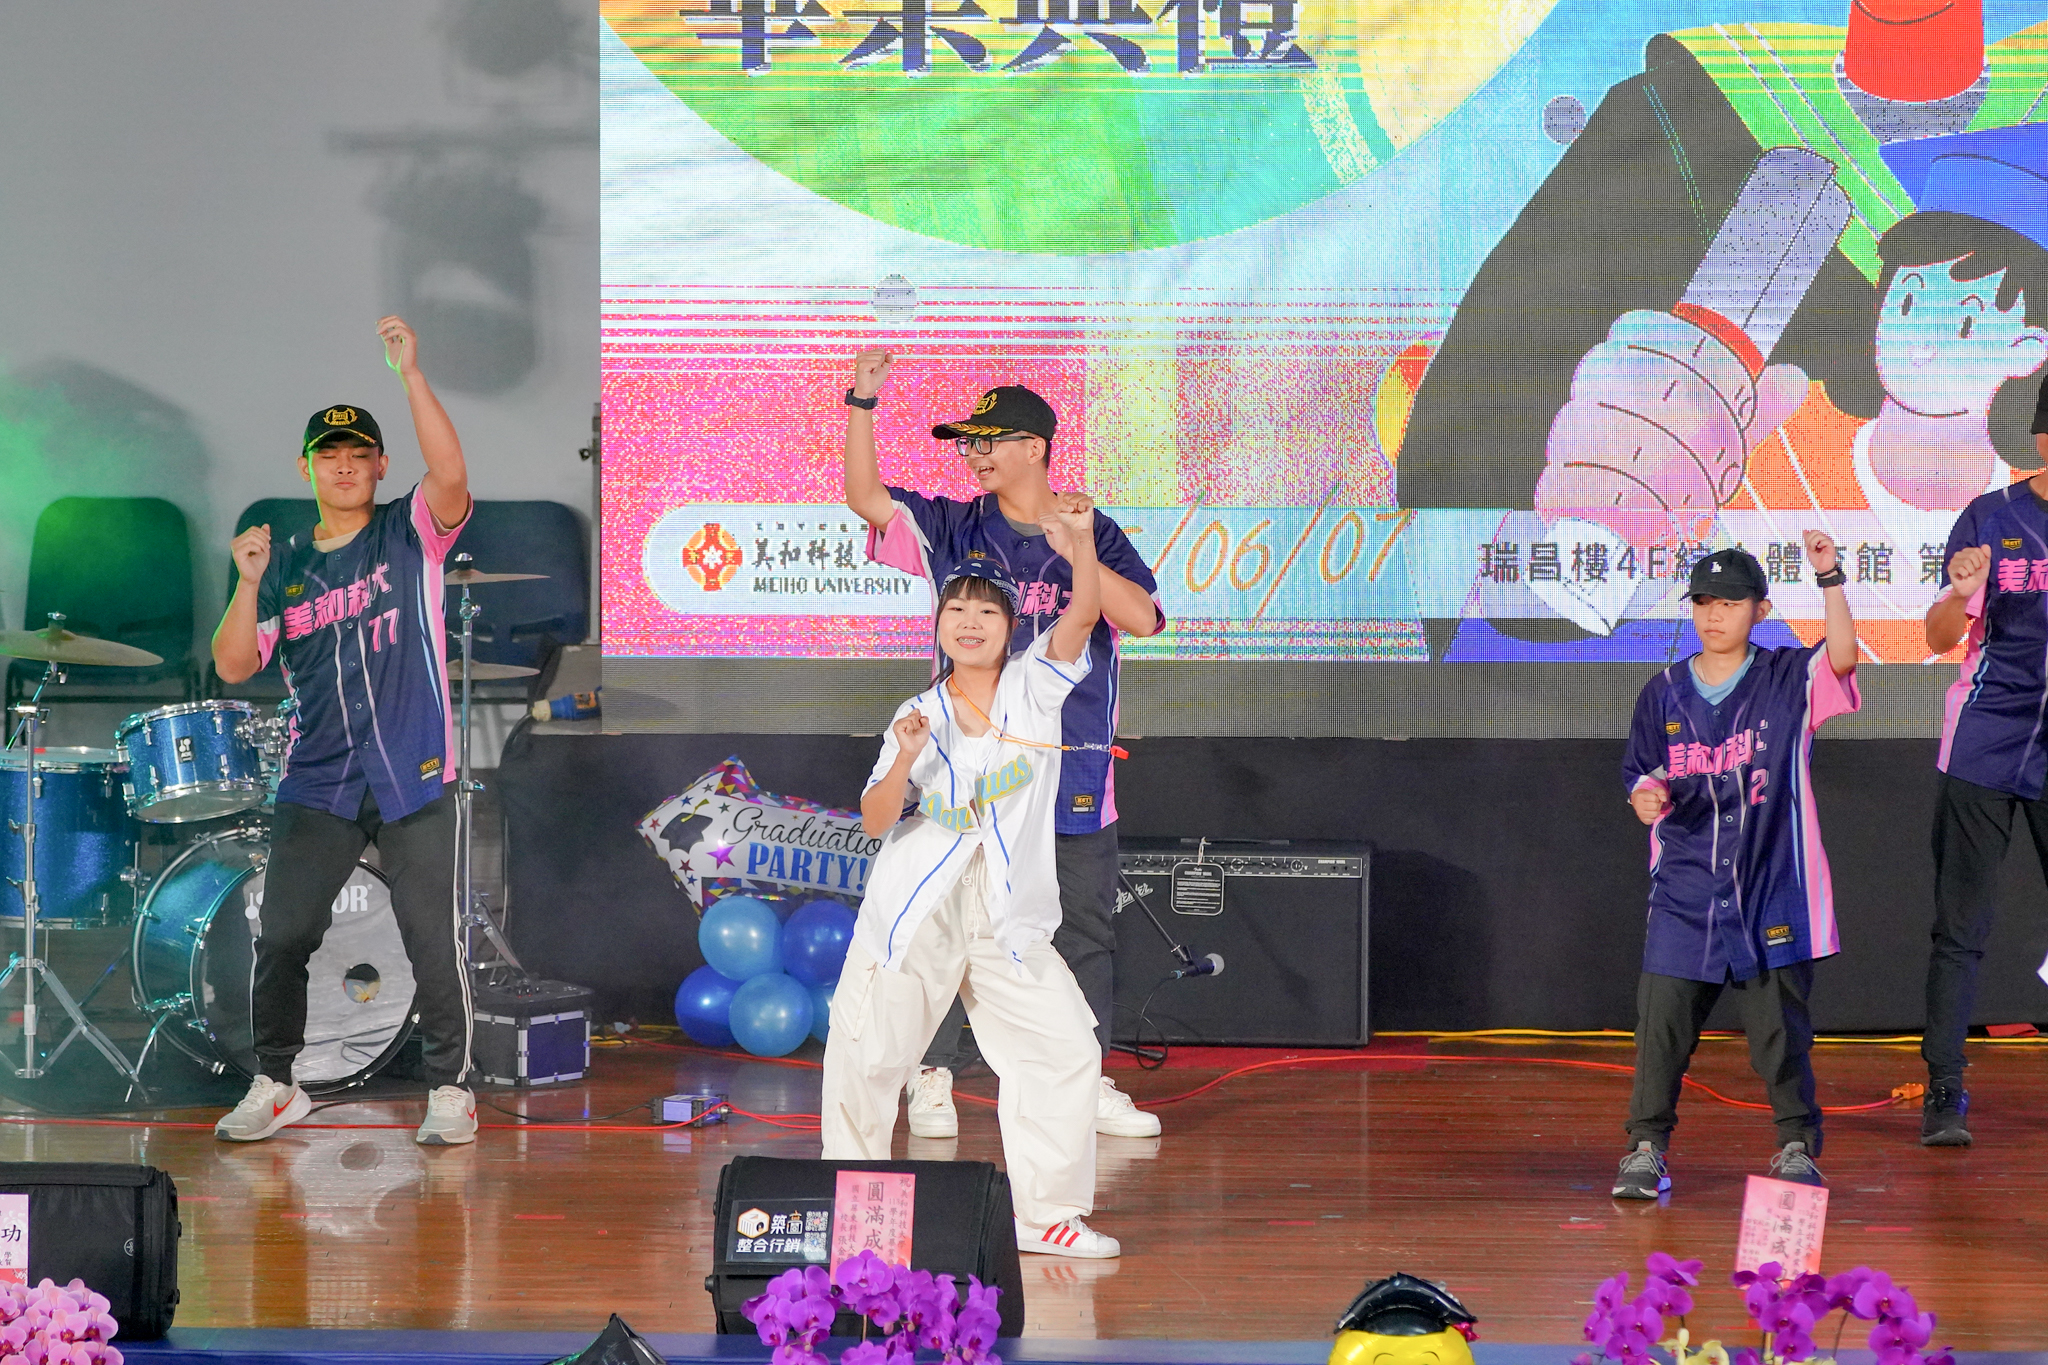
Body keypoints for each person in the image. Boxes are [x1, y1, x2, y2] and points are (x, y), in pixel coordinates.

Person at [841, 349, 1165, 1142]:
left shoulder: (1093, 529)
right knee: (946, 921)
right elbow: (866, 498)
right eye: (969, 443)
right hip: (969, 769)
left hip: (1071, 763)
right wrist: (862, 401)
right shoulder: (955, 525)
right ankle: (932, 1076)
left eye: (989, 440)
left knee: (1081, 928)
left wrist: (1077, 545)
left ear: (1036, 447)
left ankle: (1083, 1081)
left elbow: (1143, 619)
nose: (975, 454)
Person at [209, 316, 477, 1146]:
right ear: (307, 468)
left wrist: (412, 376)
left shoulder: (410, 531)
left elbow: (451, 473)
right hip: (319, 775)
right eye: (330, 455)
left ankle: (450, 1089)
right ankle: (276, 1082)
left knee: (430, 938)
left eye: (361, 453)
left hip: (412, 767)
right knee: (284, 933)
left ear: (381, 465)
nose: (346, 465)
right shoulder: (282, 562)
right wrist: (246, 583)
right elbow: (232, 664)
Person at [821, 542, 1118, 1259]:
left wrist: (1080, 542)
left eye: (986, 611)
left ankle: (1046, 1216)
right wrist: (903, 755)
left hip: (1007, 915)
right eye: (955, 608)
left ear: (1011, 626)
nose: (969, 622)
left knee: (1065, 1050)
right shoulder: (918, 711)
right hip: (915, 910)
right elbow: (875, 820)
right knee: (867, 1062)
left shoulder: (1035, 685)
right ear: (938, 624)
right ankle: (859, 1227)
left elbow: (1084, 613)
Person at [1612, 535, 1860, 1199]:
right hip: (1686, 887)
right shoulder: (1663, 692)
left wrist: (1830, 577)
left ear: (1760, 609)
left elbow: (1842, 656)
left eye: (1729, 602)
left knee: (1780, 1033)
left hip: (1770, 885)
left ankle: (1796, 1144)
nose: (1714, 614)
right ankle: (1645, 1148)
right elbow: (1643, 773)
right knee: (1661, 1029)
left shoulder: (1785, 677)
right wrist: (1644, 795)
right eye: (1703, 602)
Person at [1917, 379, 2048, 1145]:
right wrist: (1959, 592)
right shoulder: (1991, 518)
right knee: (1961, 925)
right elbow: (1939, 635)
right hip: (1986, 741)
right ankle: (1944, 1087)